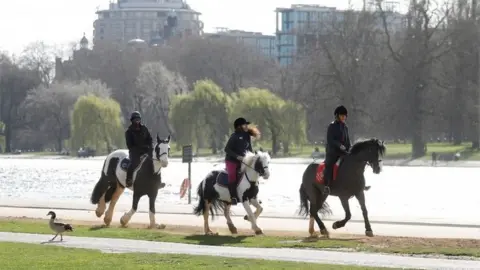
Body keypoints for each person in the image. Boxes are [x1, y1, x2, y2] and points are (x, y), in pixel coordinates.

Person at [224, 117, 260, 205]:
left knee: (253, 174)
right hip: (231, 161)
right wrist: (237, 157)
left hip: (244, 160)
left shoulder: (247, 135)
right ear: (239, 126)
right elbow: (227, 149)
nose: (246, 126)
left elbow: (249, 148)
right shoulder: (234, 136)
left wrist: (253, 156)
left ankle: (253, 196)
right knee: (232, 176)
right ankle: (233, 197)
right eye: (244, 124)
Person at [324, 105, 351, 195]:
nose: (344, 117)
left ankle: (357, 183)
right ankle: (327, 185)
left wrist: (349, 148)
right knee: (330, 164)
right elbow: (330, 140)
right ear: (337, 116)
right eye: (342, 116)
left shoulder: (345, 127)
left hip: (343, 152)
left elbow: (347, 141)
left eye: (345, 116)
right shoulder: (331, 126)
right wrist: (339, 145)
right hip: (333, 152)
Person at [125, 111, 153, 188]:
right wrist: (139, 149)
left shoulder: (144, 128)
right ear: (132, 120)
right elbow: (129, 145)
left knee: (154, 162)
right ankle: (129, 180)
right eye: (135, 119)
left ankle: (156, 181)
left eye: (138, 119)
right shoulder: (129, 131)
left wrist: (150, 147)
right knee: (134, 163)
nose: (137, 121)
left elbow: (149, 139)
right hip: (134, 152)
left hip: (146, 150)